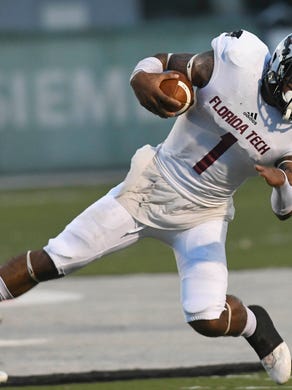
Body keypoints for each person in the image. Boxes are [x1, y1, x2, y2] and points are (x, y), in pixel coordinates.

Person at [1, 29, 292, 384]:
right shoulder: (239, 60)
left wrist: (283, 187)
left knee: (207, 317)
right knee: (56, 258)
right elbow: (165, 61)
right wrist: (142, 78)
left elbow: (284, 210)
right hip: (149, 187)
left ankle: (255, 324)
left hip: (204, 215)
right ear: (280, 64)